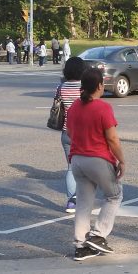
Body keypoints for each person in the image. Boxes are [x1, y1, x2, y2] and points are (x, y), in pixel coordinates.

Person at [66, 68, 126, 261]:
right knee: (114, 196)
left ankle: (80, 245)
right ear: (100, 86)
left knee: (83, 202)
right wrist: (122, 160)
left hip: (77, 160)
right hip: (97, 159)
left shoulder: (74, 106)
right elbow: (112, 139)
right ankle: (98, 235)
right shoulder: (103, 108)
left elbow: (69, 133)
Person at [57, 57, 85, 213]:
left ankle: (71, 201)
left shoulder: (61, 88)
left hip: (66, 132)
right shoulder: (84, 87)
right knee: (87, 166)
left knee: (70, 168)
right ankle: (80, 197)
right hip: (83, 133)